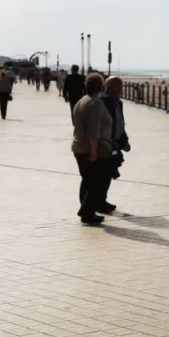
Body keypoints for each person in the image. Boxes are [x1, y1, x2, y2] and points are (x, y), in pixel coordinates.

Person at [71, 73, 113, 225]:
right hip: (89, 148)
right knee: (96, 181)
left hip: (78, 146)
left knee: (87, 180)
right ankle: (87, 212)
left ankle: (86, 209)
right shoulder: (96, 103)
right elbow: (94, 129)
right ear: (101, 87)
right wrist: (94, 150)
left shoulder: (81, 101)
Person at [99, 76, 130, 211]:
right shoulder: (103, 101)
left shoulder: (118, 102)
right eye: (120, 86)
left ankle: (102, 200)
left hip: (115, 143)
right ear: (111, 87)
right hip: (105, 143)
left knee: (110, 171)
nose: (122, 89)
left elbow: (120, 122)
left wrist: (125, 140)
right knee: (104, 173)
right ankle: (98, 202)